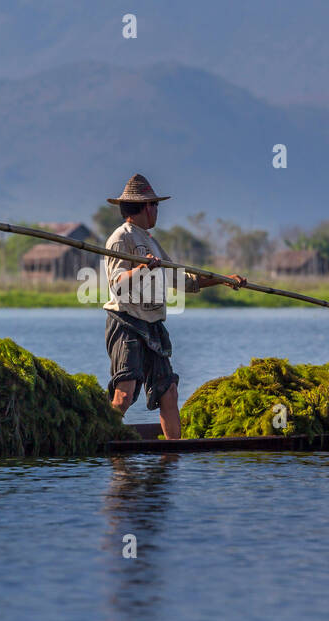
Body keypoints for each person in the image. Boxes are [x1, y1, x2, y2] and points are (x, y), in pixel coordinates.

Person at [102, 174, 245, 439]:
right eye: (155, 205)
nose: (157, 210)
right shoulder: (121, 238)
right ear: (147, 207)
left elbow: (183, 279)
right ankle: (102, 440)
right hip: (127, 321)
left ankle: (173, 453)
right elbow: (117, 283)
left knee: (169, 391)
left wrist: (223, 280)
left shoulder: (150, 241)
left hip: (152, 324)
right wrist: (143, 267)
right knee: (124, 392)